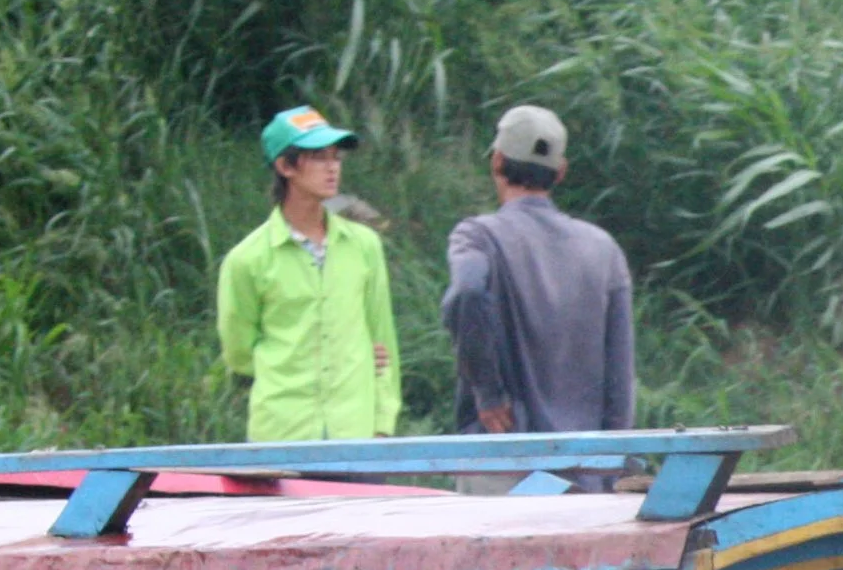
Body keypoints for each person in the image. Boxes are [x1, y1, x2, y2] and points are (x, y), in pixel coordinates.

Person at [442, 106, 634, 472]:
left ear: (497, 161)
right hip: (583, 465)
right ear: (560, 172)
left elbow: (466, 292)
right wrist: (612, 464)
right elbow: (620, 375)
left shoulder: (478, 237)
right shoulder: (603, 248)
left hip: (499, 455)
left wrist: (488, 393)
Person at [216, 107, 400, 443]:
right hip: (282, 434)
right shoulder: (247, 259)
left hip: (356, 434)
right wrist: (293, 363)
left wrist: (382, 423)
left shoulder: (363, 246)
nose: (332, 167)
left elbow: (382, 337)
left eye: (336, 157)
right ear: (285, 166)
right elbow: (239, 353)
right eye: (318, 157)